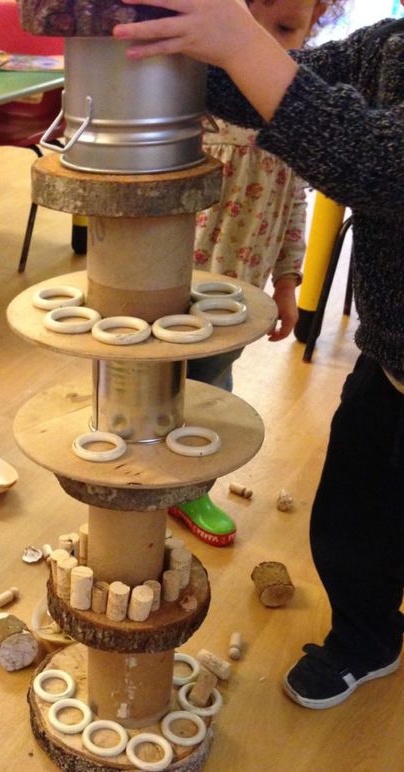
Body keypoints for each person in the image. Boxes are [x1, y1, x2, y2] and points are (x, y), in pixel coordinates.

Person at [114, 0, 404, 710]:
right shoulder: (390, 43)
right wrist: (175, 40)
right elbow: (281, 83)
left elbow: (378, 163)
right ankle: (367, 636)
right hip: (390, 350)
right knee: (352, 514)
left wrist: (242, 41)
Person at [171, 0, 346, 546]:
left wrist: (289, 285)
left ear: (317, 23)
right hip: (166, 284)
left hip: (239, 297)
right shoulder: (193, 93)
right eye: (249, 22)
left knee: (211, 392)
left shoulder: (297, 105)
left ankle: (190, 487)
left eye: (287, 27)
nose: (263, 42)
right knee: (146, 385)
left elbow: (296, 203)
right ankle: (143, 476)